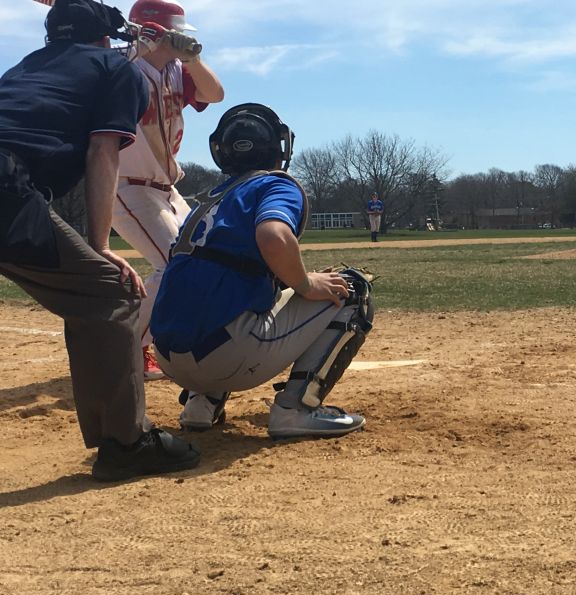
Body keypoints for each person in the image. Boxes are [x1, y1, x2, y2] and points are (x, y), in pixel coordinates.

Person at [0, 0, 200, 481]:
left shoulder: (22, 69)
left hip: (16, 186)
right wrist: (99, 246)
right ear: (108, 37)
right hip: (7, 189)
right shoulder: (117, 69)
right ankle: (127, 445)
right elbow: (102, 151)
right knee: (108, 292)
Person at [150, 103, 375, 438]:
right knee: (352, 289)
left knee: (233, 290)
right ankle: (295, 409)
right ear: (278, 147)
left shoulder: (209, 198)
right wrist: (305, 283)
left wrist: (298, 282)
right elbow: (273, 237)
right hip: (225, 358)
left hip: (169, 358)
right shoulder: (274, 184)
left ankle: (200, 405)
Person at [112, 0, 224, 381]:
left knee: (199, 257)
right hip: (125, 186)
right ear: (153, 31)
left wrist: (191, 59)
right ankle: (124, 348)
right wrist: (138, 42)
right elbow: (102, 67)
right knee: (174, 263)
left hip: (166, 188)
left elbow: (215, 94)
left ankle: (154, 339)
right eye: (175, 34)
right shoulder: (122, 65)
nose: (182, 40)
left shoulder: (178, 70)